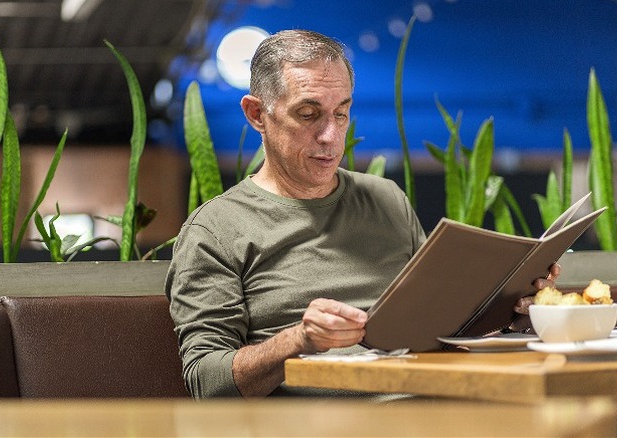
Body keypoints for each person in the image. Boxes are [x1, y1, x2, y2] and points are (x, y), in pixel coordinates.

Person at [165, 29, 557, 399]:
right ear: (257, 114)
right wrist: (299, 340)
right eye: (307, 114)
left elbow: (440, 329)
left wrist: (512, 313)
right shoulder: (214, 230)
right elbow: (207, 381)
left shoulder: (385, 198)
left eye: (341, 113)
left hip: (434, 407)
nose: (331, 137)